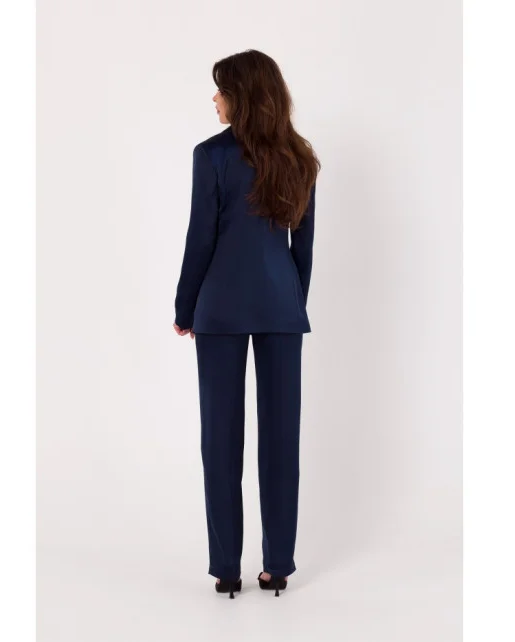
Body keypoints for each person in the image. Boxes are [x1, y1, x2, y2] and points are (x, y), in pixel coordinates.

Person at [173, 49, 320, 599]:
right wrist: (290, 302)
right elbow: (303, 249)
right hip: (282, 308)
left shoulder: (211, 155)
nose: (214, 98)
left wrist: (185, 307)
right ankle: (277, 566)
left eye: (221, 89)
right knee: (282, 440)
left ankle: (226, 569)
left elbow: (201, 238)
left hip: (219, 310)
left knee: (221, 440)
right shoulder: (299, 156)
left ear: (242, 95)